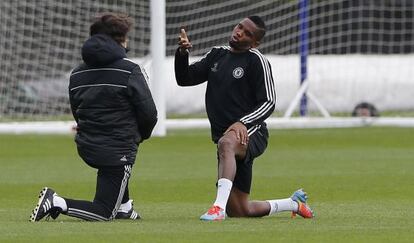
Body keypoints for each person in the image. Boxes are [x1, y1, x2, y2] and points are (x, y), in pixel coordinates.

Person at [175, 16, 314, 221]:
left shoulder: (257, 61)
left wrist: (242, 122)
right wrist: (182, 53)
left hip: (252, 132)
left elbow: (269, 102)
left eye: (247, 33)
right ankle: (293, 203)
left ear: (255, 42)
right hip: (227, 139)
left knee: (226, 143)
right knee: (240, 211)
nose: (239, 32)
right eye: (240, 27)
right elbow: (184, 79)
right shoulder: (216, 55)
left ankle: (217, 208)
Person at [30, 13, 157, 222]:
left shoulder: (77, 73)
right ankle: (57, 202)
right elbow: (149, 114)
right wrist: (138, 136)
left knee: (115, 173)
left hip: (87, 145)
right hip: (118, 147)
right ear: (120, 40)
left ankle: (124, 207)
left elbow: (76, 110)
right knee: (104, 211)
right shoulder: (131, 70)